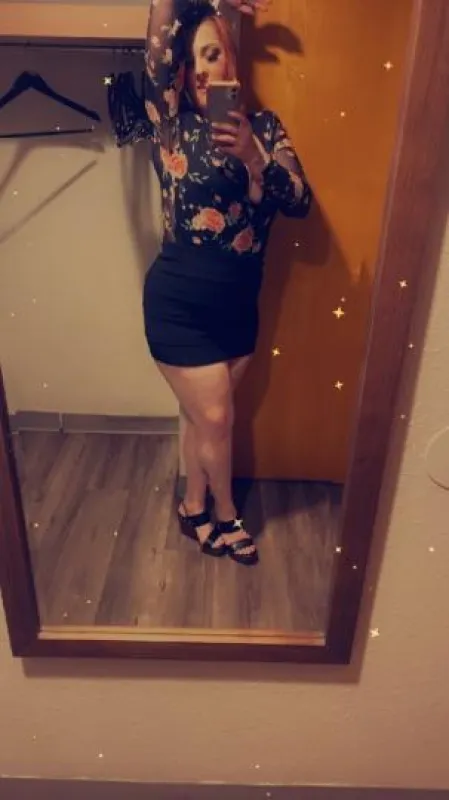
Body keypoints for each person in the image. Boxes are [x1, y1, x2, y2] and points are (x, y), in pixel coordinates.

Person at [143, 0, 312, 566]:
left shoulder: (264, 128)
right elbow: (160, 31)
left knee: (205, 419)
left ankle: (193, 505)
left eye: (219, 53)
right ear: (184, 73)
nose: (211, 69)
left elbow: (300, 202)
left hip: (240, 308)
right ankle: (226, 514)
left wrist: (255, 159)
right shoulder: (170, 123)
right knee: (217, 418)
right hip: (179, 307)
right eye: (200, 58)